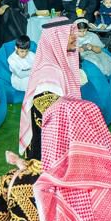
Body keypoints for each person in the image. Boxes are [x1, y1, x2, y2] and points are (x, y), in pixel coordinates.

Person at [18, 18, 82, 155]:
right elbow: (52, 124)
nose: (74, 37)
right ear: (56, 40)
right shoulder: (47, 74)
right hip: (48, 154)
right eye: (69, 33)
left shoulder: (59, 65)